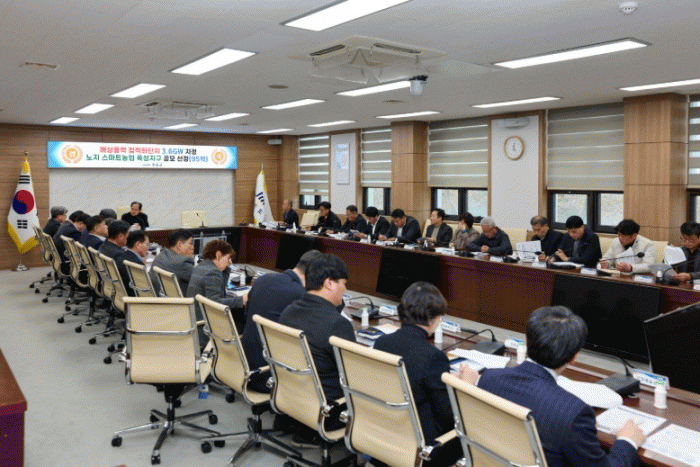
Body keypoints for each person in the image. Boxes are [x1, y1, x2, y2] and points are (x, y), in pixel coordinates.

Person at [461, 306, 645, 467]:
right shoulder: (575, 413)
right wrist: (627, 441)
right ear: (574, 357)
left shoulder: (488, 379)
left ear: (526, 341)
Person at [373, 282, 468, 466]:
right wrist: (464, 386)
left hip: (387, 430)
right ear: (432, 319)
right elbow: (449, 418)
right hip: (423, 446)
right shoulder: (434, 357)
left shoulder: (381, 342)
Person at [240, 249, 322, 392]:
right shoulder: (300, 294)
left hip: (243, 366)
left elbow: (246, 315)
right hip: (271, 377)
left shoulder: (262, 279)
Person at [278, 253, 355, 403]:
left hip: (290, 393)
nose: (345, 288)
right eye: (343, 283)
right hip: (328, 404)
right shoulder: (338, 325)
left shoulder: (288, 311)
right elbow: (353, 376)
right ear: (329, 283)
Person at [186, 239, 246, 339]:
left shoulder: (201, 266)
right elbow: (215, 302)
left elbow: (221, 290)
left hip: (194, 320)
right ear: (218, 255)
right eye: (228, 258)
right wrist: (241, 300)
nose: (230, 263)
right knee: (245, 320)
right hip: (206, 327)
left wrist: (226, 268)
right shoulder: (213, 272)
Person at [148, 229, 195, 294]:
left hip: (159, 297)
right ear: (180, 244)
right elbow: (203, 279)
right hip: (180, 300)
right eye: (191, 243)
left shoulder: (160, 256)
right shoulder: (183, 263)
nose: (192, 247)